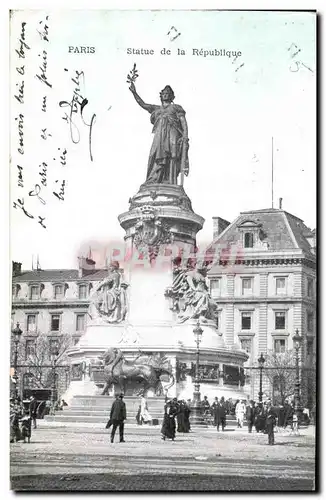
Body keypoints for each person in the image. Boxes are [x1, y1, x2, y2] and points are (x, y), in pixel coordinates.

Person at [129, 82, 189, 185]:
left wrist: (185, 137)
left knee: (172, 156)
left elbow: (183, 122)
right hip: (159, 136)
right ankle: (154, 179)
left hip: (172, 133)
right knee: (154, 154)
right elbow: (143, 104)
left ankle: (170, 181)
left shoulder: (176, 108)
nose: (165, 95)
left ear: (171, 96)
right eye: (164, 93)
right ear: (161, 95)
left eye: (168, 93)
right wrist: (134, 92)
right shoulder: (157, 109)